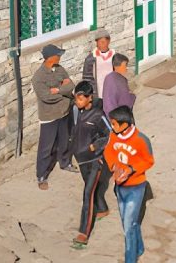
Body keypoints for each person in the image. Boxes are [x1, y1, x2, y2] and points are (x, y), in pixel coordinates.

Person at [104, 106, 154, 263]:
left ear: (125, 124)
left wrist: (131, 169)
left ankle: (130, 259)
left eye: (114, 124)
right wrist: (114, 166)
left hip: (136, 187)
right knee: (130, 223)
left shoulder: (141, 140)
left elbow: (149, 161)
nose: (112, 127)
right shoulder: (113, 135)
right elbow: (108, 151)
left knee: (128, 227)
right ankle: (139, 248)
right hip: (120, 187)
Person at [69, 81, 112, 250]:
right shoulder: (77, 111)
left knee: (87, 193)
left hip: (95, 160)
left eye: (80, 98)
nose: (77, 102)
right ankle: (102, 209)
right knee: (91, 187)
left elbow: (109, 135)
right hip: (81, 159)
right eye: (76, 99)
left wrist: (96, 146)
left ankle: (83, 232)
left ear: (89, 98)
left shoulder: (99, 116)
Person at [32, 44, 77, 189]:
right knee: (47, 147)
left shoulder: (59, 69)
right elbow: (45, 96)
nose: (60, 57)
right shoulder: (38, 77)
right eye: (58, 55)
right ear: (51, 57)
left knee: (65, 140)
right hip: (49, 116)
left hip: (64, 112)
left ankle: (65, 163)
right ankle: (41, 175)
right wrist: (64, 93)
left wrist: (57, 90)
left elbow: (71, 85)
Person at [82, 29, 115, 99]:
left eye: (103, 42)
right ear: (96, 43)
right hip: (98, 92)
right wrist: (91, 92)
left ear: (108, 41)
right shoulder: (91, 58)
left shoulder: (114, 55)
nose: (101, 45)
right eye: (99, 42)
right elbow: (86, 78)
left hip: (113, 90)